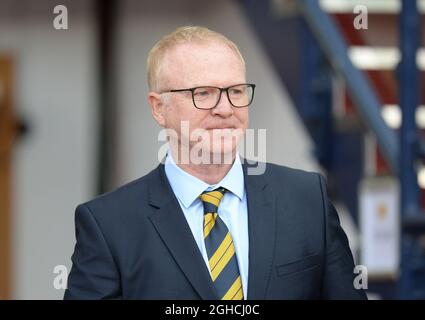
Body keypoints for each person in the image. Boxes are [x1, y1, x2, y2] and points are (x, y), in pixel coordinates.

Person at [64, 26, 367, 300]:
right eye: (203, 93)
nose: (225, 108)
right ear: (159, 108)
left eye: (235, 91)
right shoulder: (108, 224)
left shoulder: (307, 199)